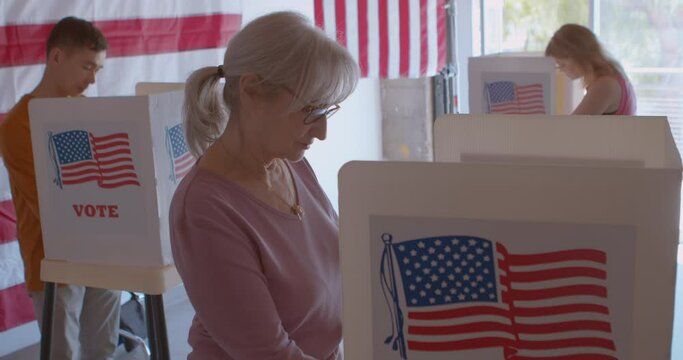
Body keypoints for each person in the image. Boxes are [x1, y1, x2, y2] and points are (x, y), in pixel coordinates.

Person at [169, 11, 358, 359]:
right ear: (253, 90)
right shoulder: (203, 208)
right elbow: (269, 354)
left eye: (326, 112)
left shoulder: (292, 164)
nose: (322, 132)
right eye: (311, 111)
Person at [0, 17, 121, 359]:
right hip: (53, 258)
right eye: (86, 65)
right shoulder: (18, 126)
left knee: (103, 349)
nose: (92, 78)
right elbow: (52, 205)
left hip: (103, 249)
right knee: (61, 353)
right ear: (56, 57)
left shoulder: (88, 113)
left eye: (97, 68)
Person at [545, 23, 637, 115]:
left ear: (578, 57)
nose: (561, 70)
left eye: (563, 64)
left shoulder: (605, 85)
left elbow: (572, 126)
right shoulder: (612, 78)